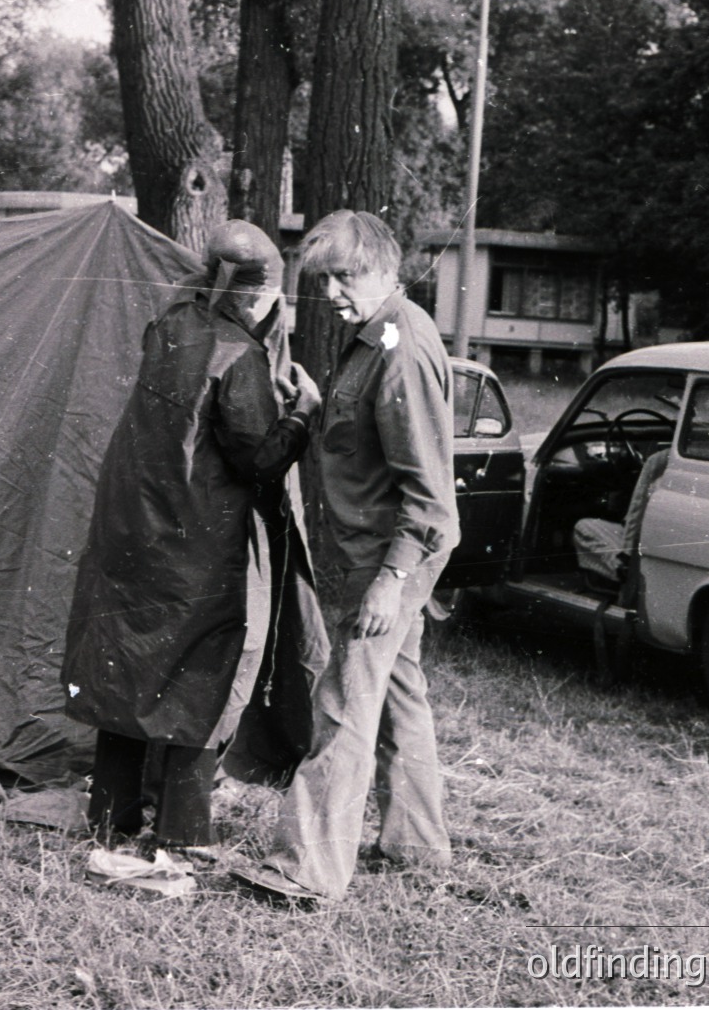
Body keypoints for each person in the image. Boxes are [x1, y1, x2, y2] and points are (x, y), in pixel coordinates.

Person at [62, 219, 321, 851]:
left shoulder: (169, 323)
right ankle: (183, 833)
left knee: (125, 669)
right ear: (259, 293)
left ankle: (111, 817)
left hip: (132, 531)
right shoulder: (241, 355)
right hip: (196, 545)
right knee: (197, 679)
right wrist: (303, 414)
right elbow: (257, 459)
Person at [231, 209, 460, 904]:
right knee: (397, 696)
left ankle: (305, 868)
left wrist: (391, 581)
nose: (330, 291)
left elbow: (427, 492)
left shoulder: (399, 348)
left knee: (341, 705)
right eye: (322, 278)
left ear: (387, 270)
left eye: (344, 276)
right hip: (381, 550)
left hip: (391, 554)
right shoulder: (371, 336)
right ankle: (415, 844)